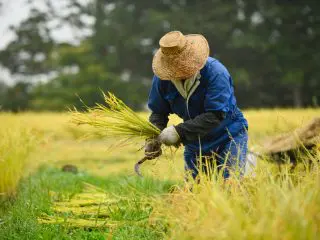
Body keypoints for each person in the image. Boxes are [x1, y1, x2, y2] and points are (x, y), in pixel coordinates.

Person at [145, 31, 248, 179]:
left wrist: (178, 132)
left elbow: (216, 115)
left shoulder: (215, 73)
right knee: (195, 191)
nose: (179, 71)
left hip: (228, 135)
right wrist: (152, 138)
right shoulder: (163, 79)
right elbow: (158, 113)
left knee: (231, 185)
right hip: (195, 142)